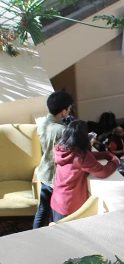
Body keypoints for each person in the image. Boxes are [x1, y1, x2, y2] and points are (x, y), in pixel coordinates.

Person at [51, 120, 119, 222]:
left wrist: (105, 154)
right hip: (70, 205)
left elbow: (86, 157)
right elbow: (103, 172)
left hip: (56, 200)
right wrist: (114, 162)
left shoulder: (61, 148)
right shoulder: (81, 157)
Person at [33, 91, 74, 229]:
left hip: (44, 172)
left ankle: (34, 235)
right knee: (57, 215)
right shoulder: (62, 130)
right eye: (69, 108)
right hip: (55, 178)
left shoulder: (43, 123)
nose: (69, 111)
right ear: (63, 111)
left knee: (42, 210)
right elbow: (71, 152)